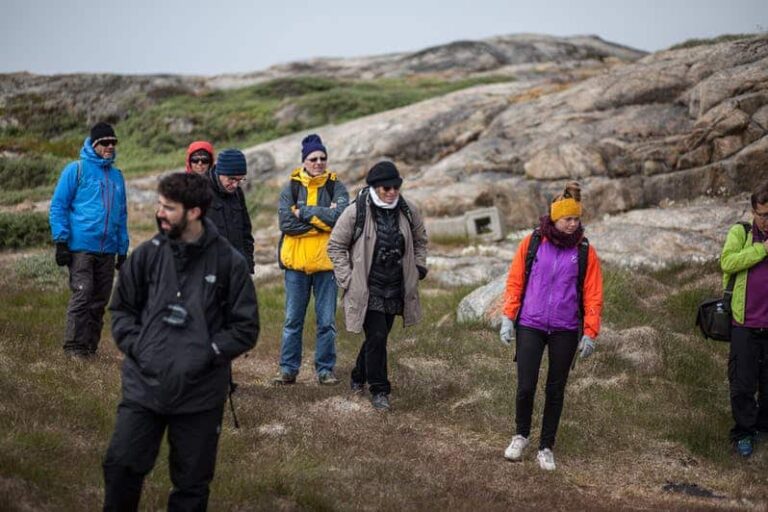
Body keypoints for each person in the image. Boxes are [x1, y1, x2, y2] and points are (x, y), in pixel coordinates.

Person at [103, 172, 259, 511]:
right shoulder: (145, 256)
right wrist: (139, 348)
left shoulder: (229, 262)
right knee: (120, 467)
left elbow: (246, 327)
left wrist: (207, 354)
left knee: (191, 486)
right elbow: (122, 310)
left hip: (200, 397)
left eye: (168, 208)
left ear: (194, 212)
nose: (160, 213)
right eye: (160, 205)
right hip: (143, 387)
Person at [499, 181, 603, 470]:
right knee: (525, 386)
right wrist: (509, 317)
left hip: (565, 329)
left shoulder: (585, 251)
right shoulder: (532, 242)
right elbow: (516, 280)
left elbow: (593, 293)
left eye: (576, 219)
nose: (573, 224)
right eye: (568, 219)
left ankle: (546, 446)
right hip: (530, 323)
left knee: (555, 390)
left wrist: (590, 331)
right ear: (555, 218)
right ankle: (520, 435)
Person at [327, 161, 428, 410]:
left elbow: (420, 239)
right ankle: (380, 390)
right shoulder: (355, 211)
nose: (392, 191)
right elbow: (336, 246)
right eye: (386, 188)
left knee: (377, 340)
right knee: (378, 336)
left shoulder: (408, 209)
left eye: (396, 186)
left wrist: (419, 266)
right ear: (374, 187)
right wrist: (347, 278)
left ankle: (358, 375)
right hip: (367, 288)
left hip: (396, 287)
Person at [49, 121, 129, 358]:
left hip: (109, 248)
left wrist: (123, 249)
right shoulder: (76, 169)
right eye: (104, 143)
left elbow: (122, 214)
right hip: (81, 247)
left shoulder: (117, 176)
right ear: (94, 144)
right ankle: (73, 347)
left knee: (99, 301)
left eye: (113, 143)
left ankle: (89, 349)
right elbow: (58, 206)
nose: (109, 146)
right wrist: (61, 241)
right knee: (83, 294)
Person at [275, 134, 349, 385]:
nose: (318, 162)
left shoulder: (336, 187)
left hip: (326, 266)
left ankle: (325, 370)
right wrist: (323, 222)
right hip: (296, 267)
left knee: (326, 322)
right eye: (313, 158)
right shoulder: (291, 188)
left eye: (322, 158)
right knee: (292, 320)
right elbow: (285, 223)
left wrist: (304, 213)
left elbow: (341, 219)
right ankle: (288, 369)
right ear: (304, 161)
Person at [720, 180, 768, 458]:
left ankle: (762, 427)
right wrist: (762, 250)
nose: (766, 221)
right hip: (744, 323)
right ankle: (744, 432)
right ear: (753, 211)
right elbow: (727, 262)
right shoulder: (741, 232)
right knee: (743, 384)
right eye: (762, 214)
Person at [205, 148, 255, 273]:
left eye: (240, 180)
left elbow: (246, 233)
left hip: (237, 269)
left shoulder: (238, 193)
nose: (235, 185)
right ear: (219, 172)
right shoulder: (199, 191)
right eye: (231, 179)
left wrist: (248, 265)